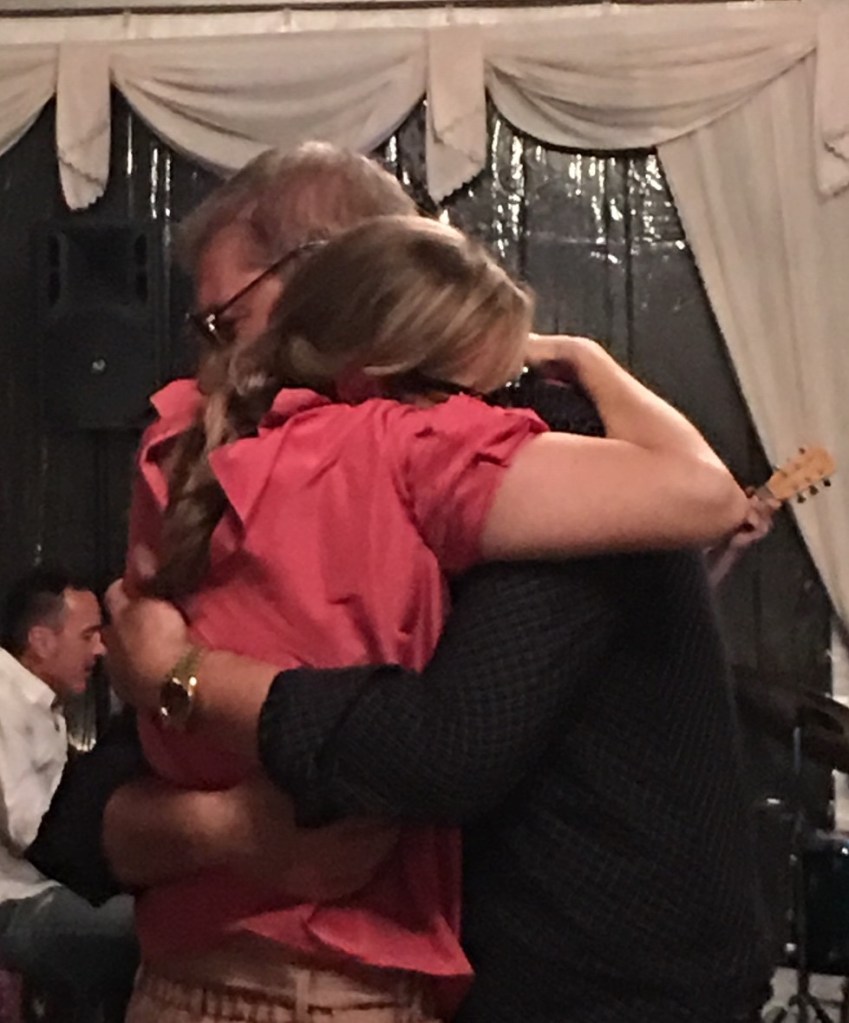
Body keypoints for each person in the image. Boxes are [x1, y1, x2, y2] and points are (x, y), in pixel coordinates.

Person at [0, 568, 138, 1022]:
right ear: (41, 640)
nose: (100, 649)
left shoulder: (44, 707)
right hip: (14, 903)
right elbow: (29, 828)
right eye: (89, 636)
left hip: (44, 889)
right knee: (145, 930)